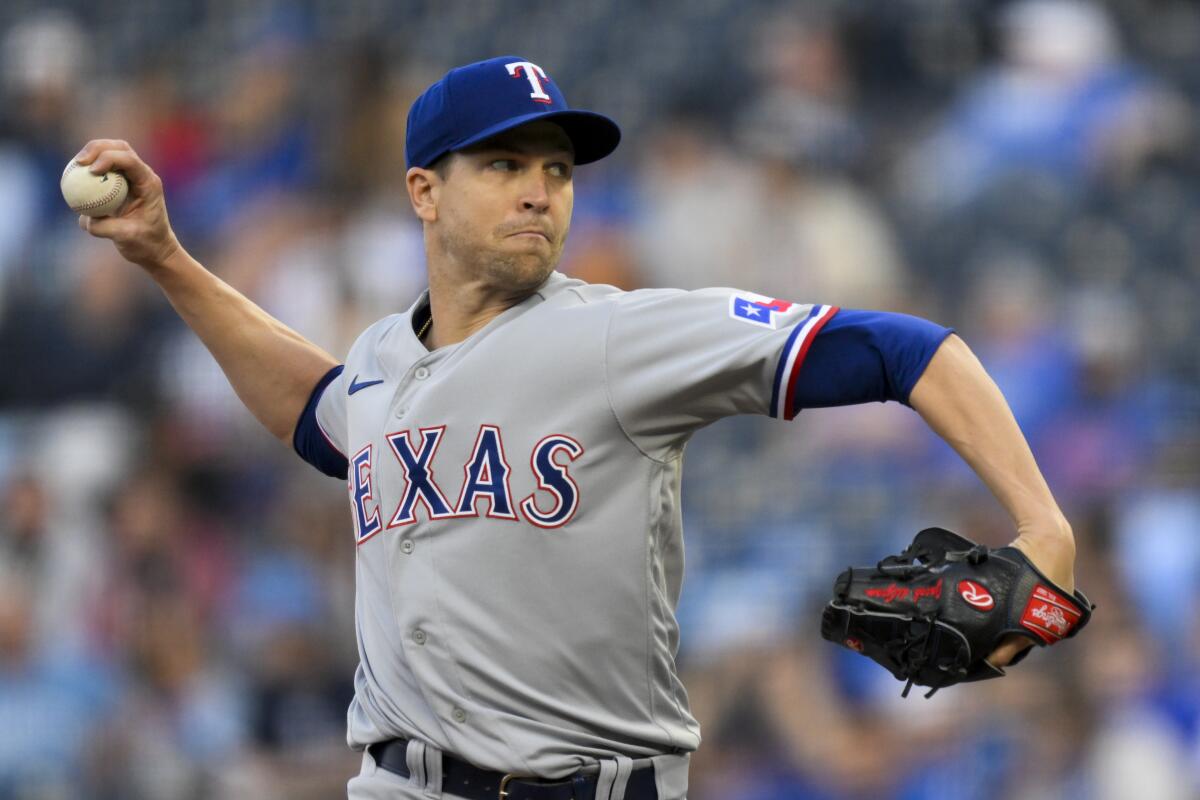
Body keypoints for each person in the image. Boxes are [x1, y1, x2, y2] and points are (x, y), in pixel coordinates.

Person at [75, 55, 1077, 800]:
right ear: (423, 190)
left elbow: (909, 349)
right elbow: (314, 408)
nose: (539, 191)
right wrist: (165, 255)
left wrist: (1043, 521)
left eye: (556, 170)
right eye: (505, 163)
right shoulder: (384, 357)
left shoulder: (619, 336)